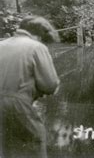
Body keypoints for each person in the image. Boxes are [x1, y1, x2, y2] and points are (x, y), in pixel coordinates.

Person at [0, 16, 60, 158]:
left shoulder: (1, 44)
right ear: (39, 35)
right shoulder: (36, 47)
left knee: (6, 148)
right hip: (18, 104)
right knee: (34, 144)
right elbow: (49, 85)